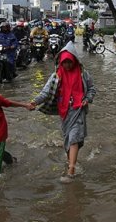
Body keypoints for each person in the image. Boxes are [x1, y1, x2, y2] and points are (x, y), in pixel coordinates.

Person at [30, 42, 96, 182]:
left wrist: (87, 99)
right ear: (60, 62)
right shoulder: (56, 76)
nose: (67, 66)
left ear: (74, 60)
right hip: (64, 111)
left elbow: (91, 89)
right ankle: (71, 161)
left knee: (73, 137)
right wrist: (34, 102)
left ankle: (71, 168)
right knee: (68, 138)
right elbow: (45, 92)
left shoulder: (83, 74)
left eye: (69, 62)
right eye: (64, 63)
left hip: (78, 110)